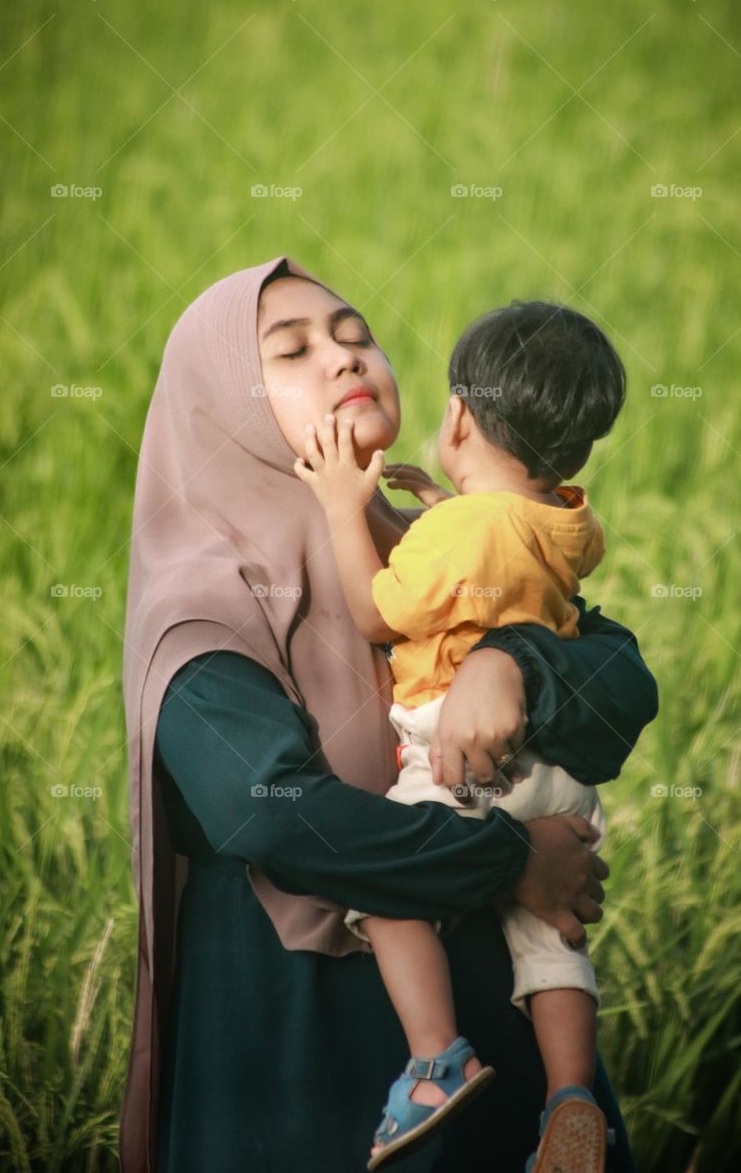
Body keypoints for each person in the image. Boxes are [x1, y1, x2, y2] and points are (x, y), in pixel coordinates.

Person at [119, 255, 658, 1173]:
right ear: (221, 413)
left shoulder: (436, 540)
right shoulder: (200, 609)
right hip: (301, 1048)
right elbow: (274, 813)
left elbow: (622, 682)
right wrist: (511, 857)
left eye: (355, 333)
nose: (342, 357)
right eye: (289, 352)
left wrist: (512, 662)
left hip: (493, 1033)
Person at [294, 300, 628, 1172]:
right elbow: (500, 558)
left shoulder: (457, 532)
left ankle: (436, 1057)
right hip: (552, 776)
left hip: (461, 752)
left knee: (390, 888)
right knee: (548, 932)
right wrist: (447, 509)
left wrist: (340, 504)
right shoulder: (564, 520)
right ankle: (569, 1096)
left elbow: (378, 611)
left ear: (456, 417)